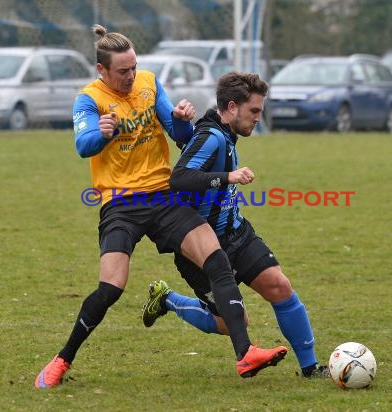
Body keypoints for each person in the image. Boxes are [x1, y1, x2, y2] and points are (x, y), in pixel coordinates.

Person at [34, 26, 287, 389]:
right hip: (120, 203)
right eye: (123, 71)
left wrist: (183, 120)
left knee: (216, 259)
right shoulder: (89, 99)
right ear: (101, 71)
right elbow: (83, 145)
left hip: (163, 195)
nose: (131, 76)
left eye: (134, 67)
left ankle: (245, 355)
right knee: (111, 287)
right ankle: (62, 359)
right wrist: (101, 133)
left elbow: (179, 135)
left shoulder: (149, 84)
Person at [141, 72, 328, 379]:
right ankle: (168, 300)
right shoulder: (212, 137)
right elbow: (179, 179)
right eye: (254, 111)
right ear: (232, 107)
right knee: (232, 321)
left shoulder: (225, 134)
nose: (258, 118)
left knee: (280, 286)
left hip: (236, 233)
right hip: (202, 250)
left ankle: (310, 368)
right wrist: (227, 177)